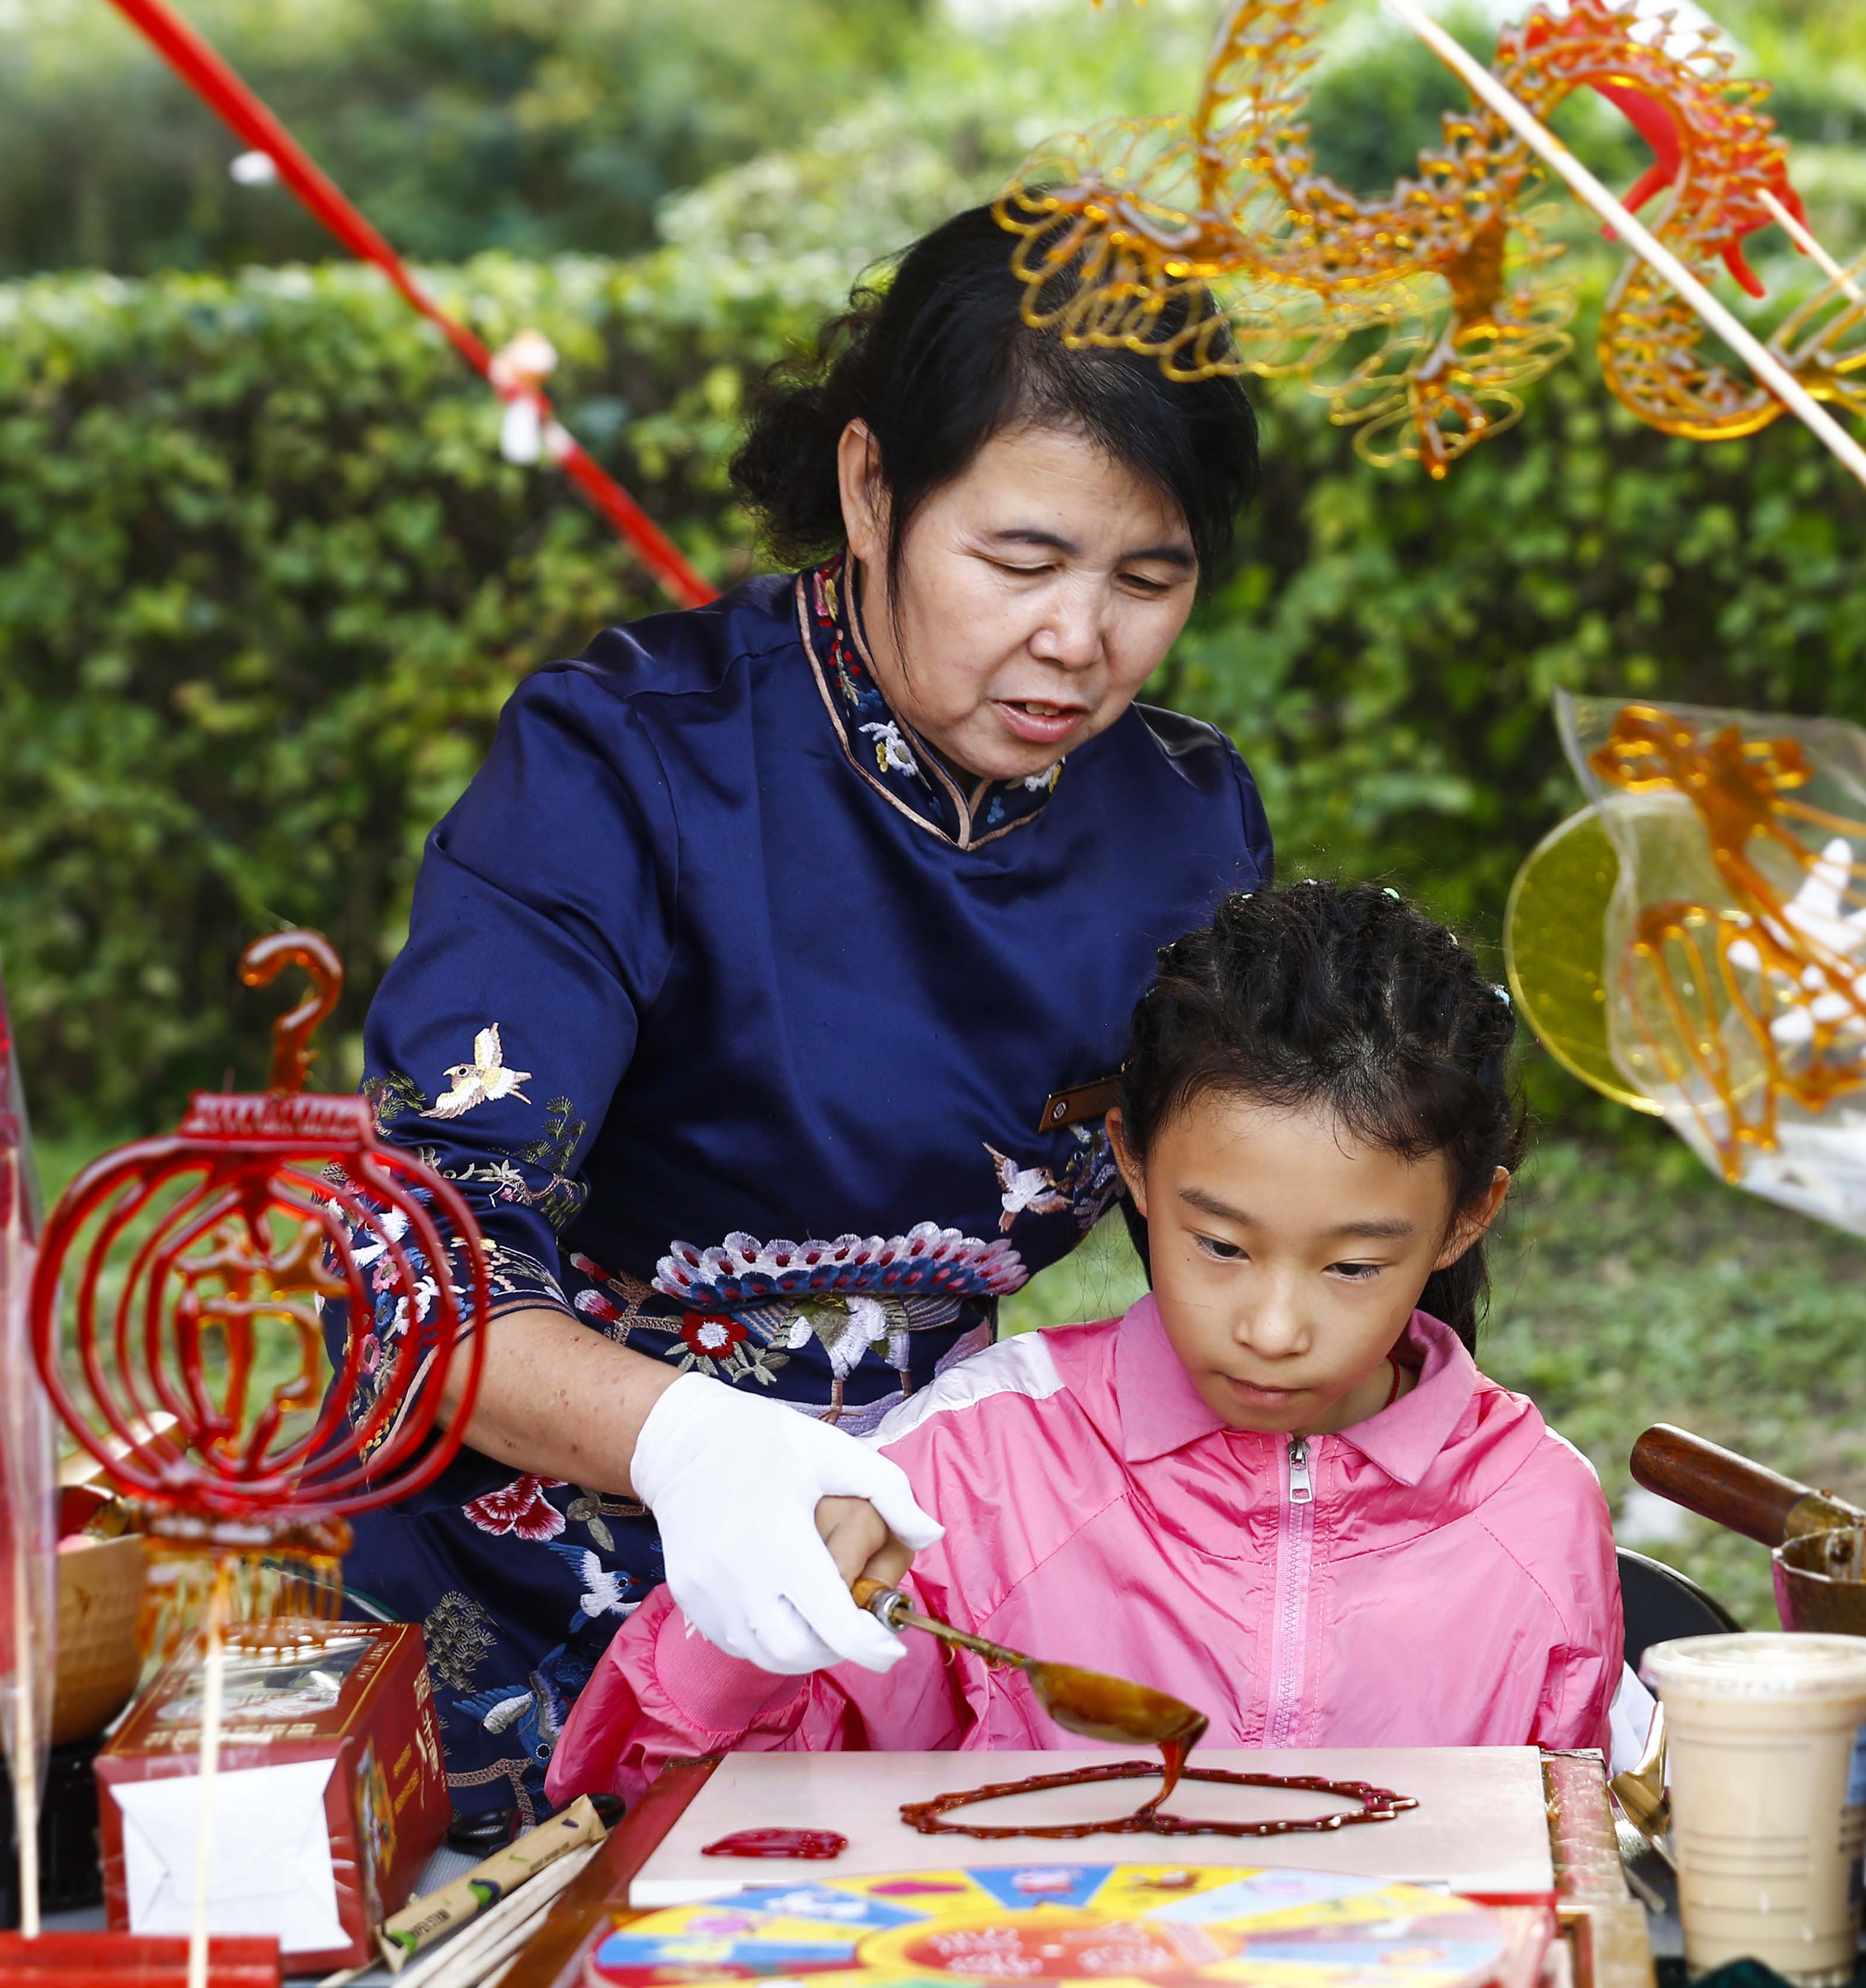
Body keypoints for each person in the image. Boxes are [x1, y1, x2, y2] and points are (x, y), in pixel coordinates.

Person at [341, 201, 1269, 1817]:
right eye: (1020, 559)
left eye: (1147, 577)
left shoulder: (1182, 828)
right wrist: (695, 1445)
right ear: (867, 487)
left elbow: (1263, 1226)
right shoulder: (622, 768)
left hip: (883, 1614)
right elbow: (417, 1273)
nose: (1079, 640)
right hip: (503, 1631)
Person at [546, 882, 1627, 1807]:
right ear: (1134, 1165)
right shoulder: (977, 1470)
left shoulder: (1534, 1515)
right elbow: (686, 1799)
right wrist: (749, 1628)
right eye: (1220, 1244)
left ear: (1465, 1219)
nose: (1273, 1327)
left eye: (1353, 1266)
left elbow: (1574, 1863)